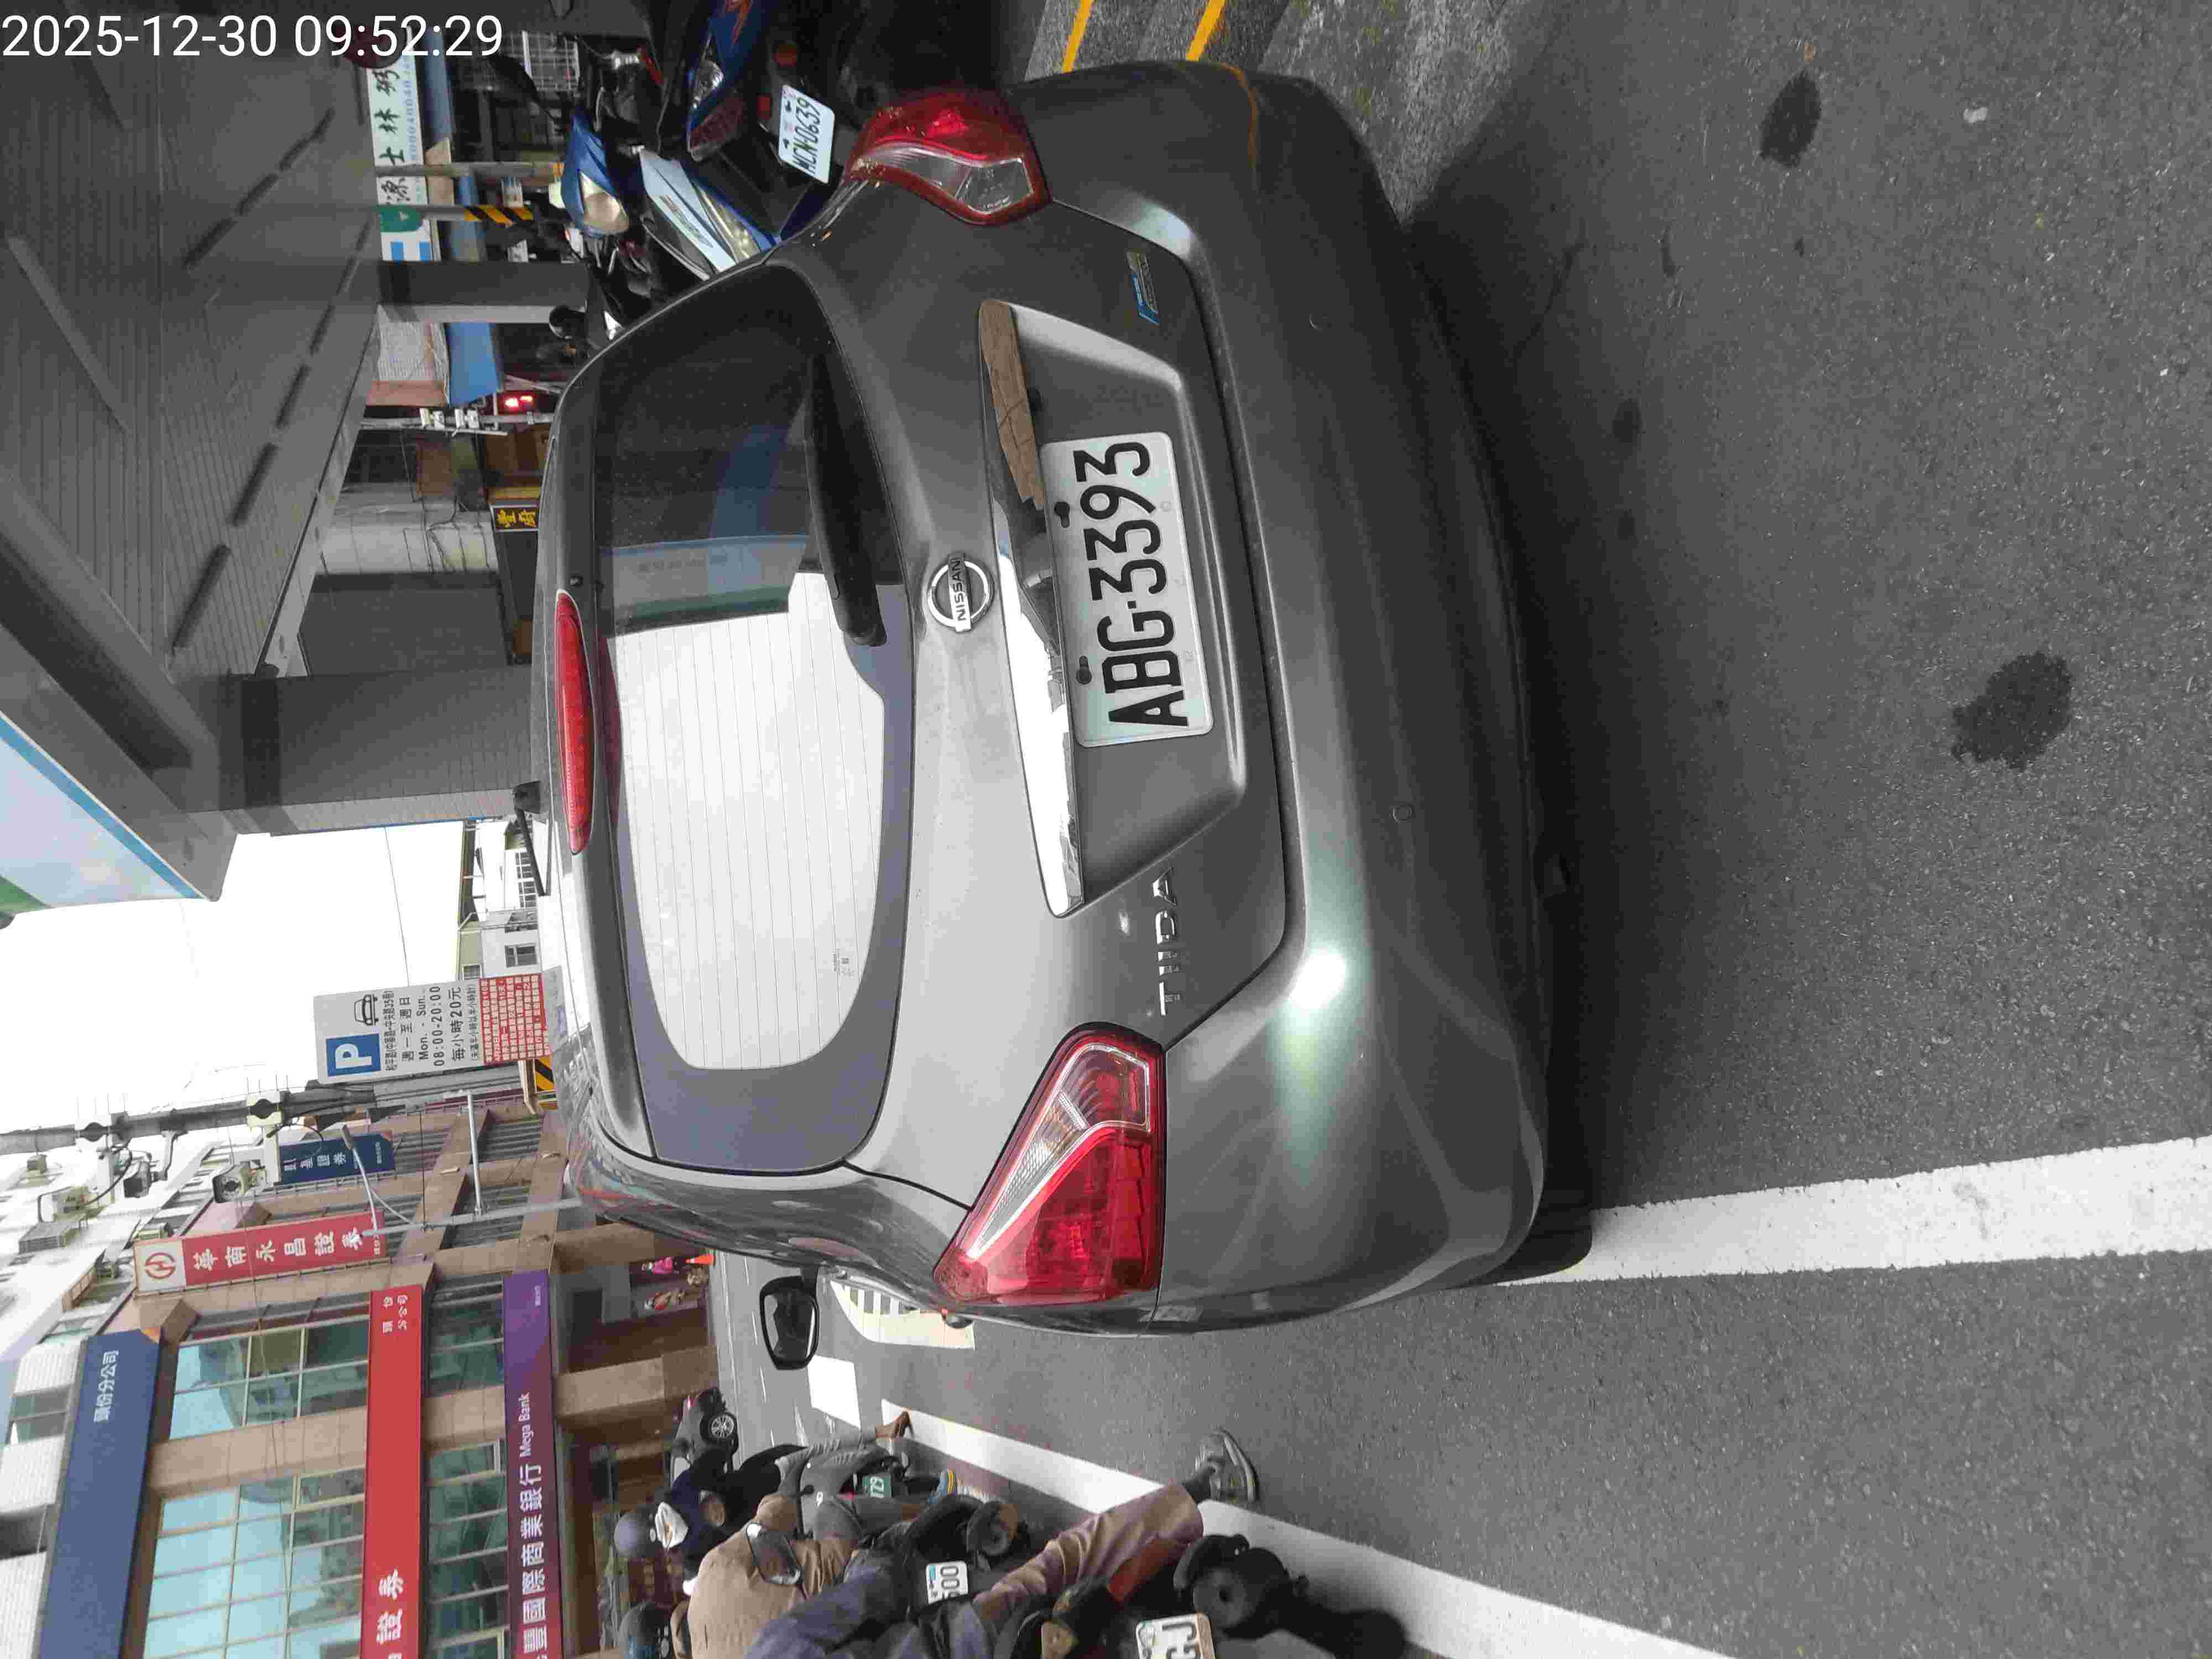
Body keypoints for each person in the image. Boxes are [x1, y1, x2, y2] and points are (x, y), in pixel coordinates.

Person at [733, 1430, 1260, 1659]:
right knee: (1070, 1557)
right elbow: (874, 1594)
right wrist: (869, 1565)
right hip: (968, 1641)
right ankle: (1211, 1483)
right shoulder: (770, 1647)